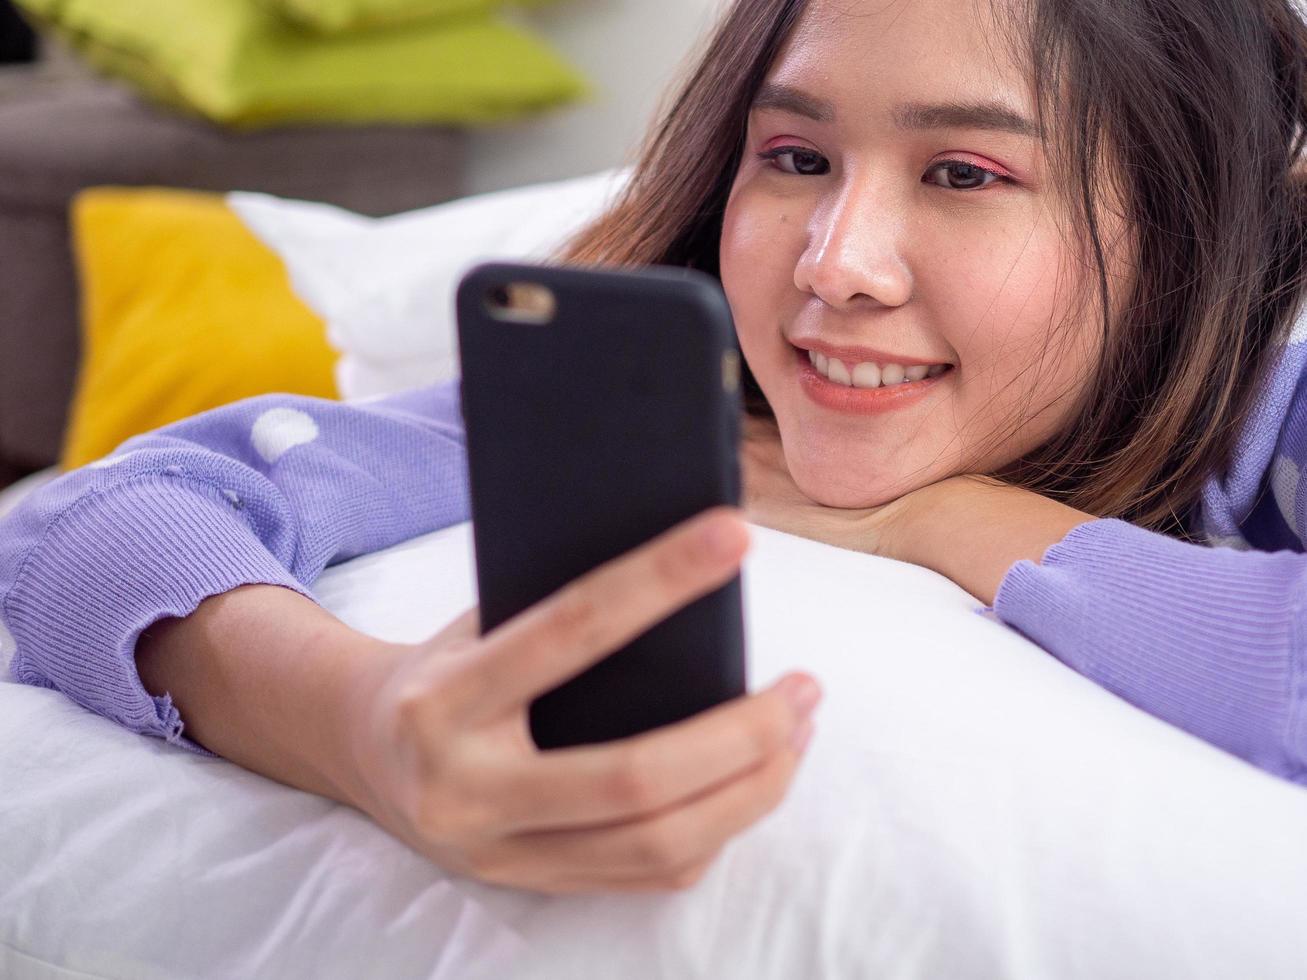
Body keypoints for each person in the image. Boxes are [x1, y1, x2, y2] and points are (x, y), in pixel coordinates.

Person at [2, 0, 1305, 895]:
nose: (835, 264)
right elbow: (95, 515)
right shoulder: (695, 408)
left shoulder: (1280, 415)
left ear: (1190, 230)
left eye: (964, 174)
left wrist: (944, 521)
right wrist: (358, 722)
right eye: (793, 156)